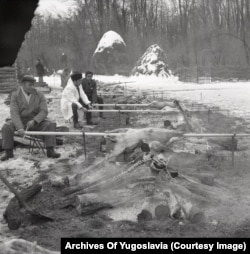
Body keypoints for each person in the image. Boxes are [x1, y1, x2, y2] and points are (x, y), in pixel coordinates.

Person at [1, 75, 60, 161]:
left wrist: (35, 120)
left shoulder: (39, 94)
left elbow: (44, 111)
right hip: (20, 120)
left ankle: (50, 150)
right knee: (6, 127)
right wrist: (19, 127)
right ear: (23, 85)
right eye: (30, 85)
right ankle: (8, 152)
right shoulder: (15, 95)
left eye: (33, 84)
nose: (32, 87)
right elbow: (14, 113)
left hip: (35, 121)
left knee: (50, 124)